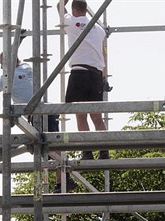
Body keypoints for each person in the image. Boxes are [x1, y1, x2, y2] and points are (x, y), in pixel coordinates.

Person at [0, 53, 76, 193]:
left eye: (2, 63)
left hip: (39, 113)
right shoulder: (26, 67)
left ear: (8, 63)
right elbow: (13, 52)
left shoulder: (8, 78)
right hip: (44, 110)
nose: (1, 66)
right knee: (52, 147)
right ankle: (63, 181)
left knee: (51, 148)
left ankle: (62, 182)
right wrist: (19, 39)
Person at [58, 0, 109, 160]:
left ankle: (87, 151)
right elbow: (104, 54)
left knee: (81, 115)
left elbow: (59, 6)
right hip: (96, 75)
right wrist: (104, 77)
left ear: (74, 9)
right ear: (86, 10)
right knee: (97, 116)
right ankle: (104, 151)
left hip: (79, 72)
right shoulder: (100, 30)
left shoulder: (72, 22)